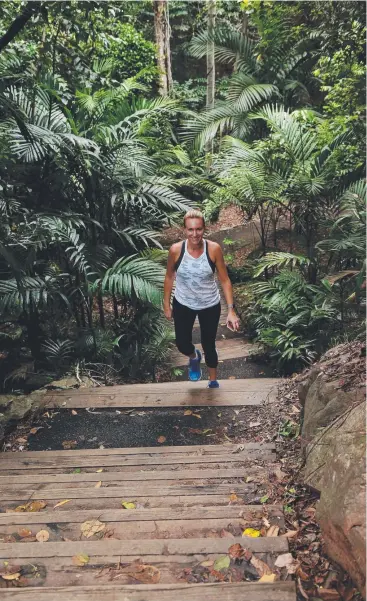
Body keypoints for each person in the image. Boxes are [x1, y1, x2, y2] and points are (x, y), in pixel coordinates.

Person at [163, 209, 240, 388]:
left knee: (209, 344)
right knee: (182, 343)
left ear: (204, 229)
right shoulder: (176, 250)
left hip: (209, 304)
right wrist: (166, 304)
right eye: (190, 230)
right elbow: (169, 277)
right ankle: (193, 357)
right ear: (185, 230)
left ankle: (213, 381)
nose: (194, 234)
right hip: (183, 302)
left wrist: (231, 310)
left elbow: (224, 279)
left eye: (198, 229)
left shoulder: (213, 249)